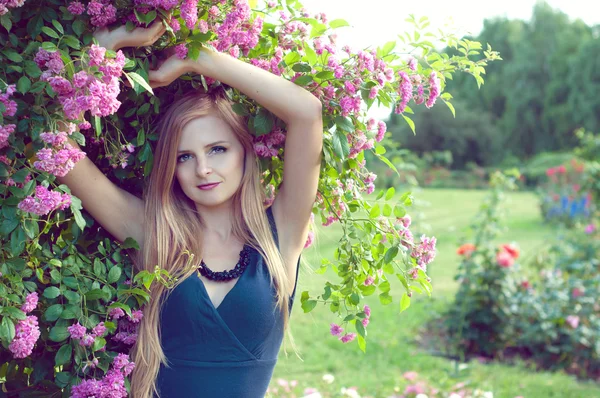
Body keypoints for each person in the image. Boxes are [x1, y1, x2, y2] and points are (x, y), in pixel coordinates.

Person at [58, 21, 323, 398]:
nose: (203, 169)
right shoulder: (152, 231)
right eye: (185, 156)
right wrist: (105, 46)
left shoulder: (282, 232)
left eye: (218, 149)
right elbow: (56, 148)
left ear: (245, 154)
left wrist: (197, 58)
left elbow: (307, 113)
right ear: (171, 167)